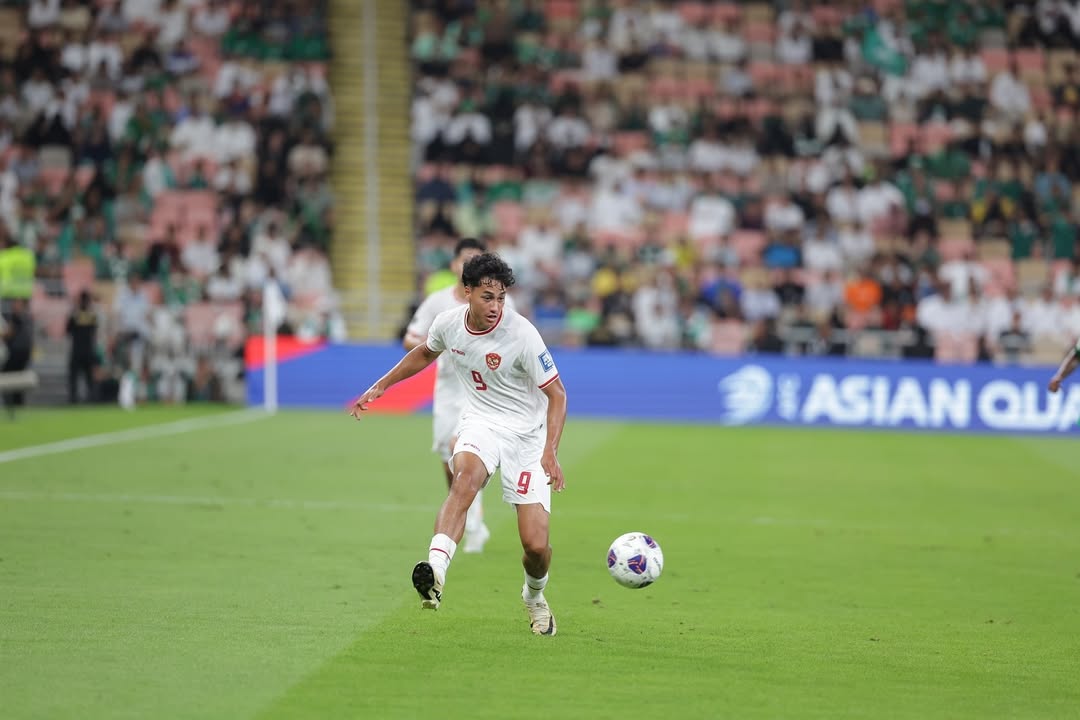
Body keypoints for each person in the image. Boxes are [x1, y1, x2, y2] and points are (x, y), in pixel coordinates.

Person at [350, 253, 567, 635]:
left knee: (535, 546)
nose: (496, 306)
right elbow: (423, 353)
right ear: (466, 292)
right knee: (462, 479)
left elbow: (558, 395)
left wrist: (550, 449)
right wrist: (382, 384)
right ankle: (436, 570)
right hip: (480, 421)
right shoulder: (449, 324)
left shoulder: (522, 334)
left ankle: (534, 596)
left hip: (527, 437)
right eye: (487, 297)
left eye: (501, 298)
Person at [402, 237, 518, 553]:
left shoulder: (499, 302)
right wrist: (436, 345)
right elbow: (410, 339)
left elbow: (516, 342)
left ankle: (473, 526)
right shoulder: (439, 304)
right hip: (448, 392)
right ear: (454, 265)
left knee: (464, 451)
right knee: (448, 460)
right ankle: (470, 519)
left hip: (484, 392)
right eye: (465, 259)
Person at [66, 290, 99, 403]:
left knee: (75, 377)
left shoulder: (76, 314)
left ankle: (74, 399)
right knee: (88, 378)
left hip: (78, 350)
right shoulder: (91, 315)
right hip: (87, 350)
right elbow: (94, 331)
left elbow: (68, 330)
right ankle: (91, 399)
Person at [1, 298, 33, 409]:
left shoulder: (16, 317)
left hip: (17, 353)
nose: (14, 305)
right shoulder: (26, 316)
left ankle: (12, 404)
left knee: (6, 376)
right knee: (17, 379)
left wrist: (3, 335)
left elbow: (8, 333)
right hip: (23, 353)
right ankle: (18, 404)